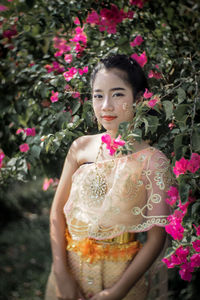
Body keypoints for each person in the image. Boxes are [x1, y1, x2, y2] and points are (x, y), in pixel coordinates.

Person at [45, 54, 172, 300]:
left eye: (117, 94)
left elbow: (157, 237)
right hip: (70, 270)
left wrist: (117, 292)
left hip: (122, 276)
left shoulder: (153, 161)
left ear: (137, 99)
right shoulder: (80, 148)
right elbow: (56, 212)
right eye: (98, 95)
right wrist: (61, 273)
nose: (106, 106)